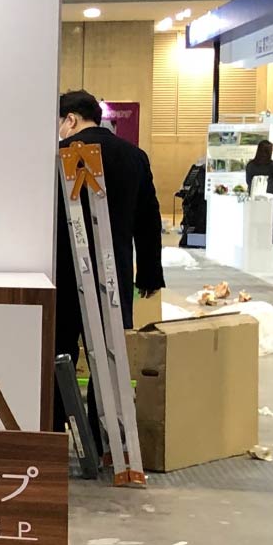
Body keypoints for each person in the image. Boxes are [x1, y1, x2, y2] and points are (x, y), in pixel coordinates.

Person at [54, 89, 166, 373]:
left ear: (71, 119)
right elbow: (148, 220)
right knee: (111, 354)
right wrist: (149, 274)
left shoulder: (59, 155)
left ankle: (59, 403)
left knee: (60, 349)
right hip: (114, 269)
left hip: (65, 270)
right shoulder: (134, 156)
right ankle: (102, 404)